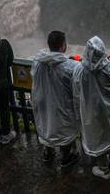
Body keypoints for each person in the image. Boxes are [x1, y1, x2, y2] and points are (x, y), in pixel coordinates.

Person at [72, 36, 110, 179]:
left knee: (98, 136)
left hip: (93, 110)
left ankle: (104, 168)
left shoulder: (80, 70)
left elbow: (76, 92)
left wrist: (77, 111)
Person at [31, 31, 80, 168]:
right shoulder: (71, 66)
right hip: (62, 105)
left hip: (43, 102)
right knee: (64, 129)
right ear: (63, 45)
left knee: (46, 125)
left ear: (49, 44)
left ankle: (48, 153)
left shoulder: (38, 61)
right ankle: (66, 157)